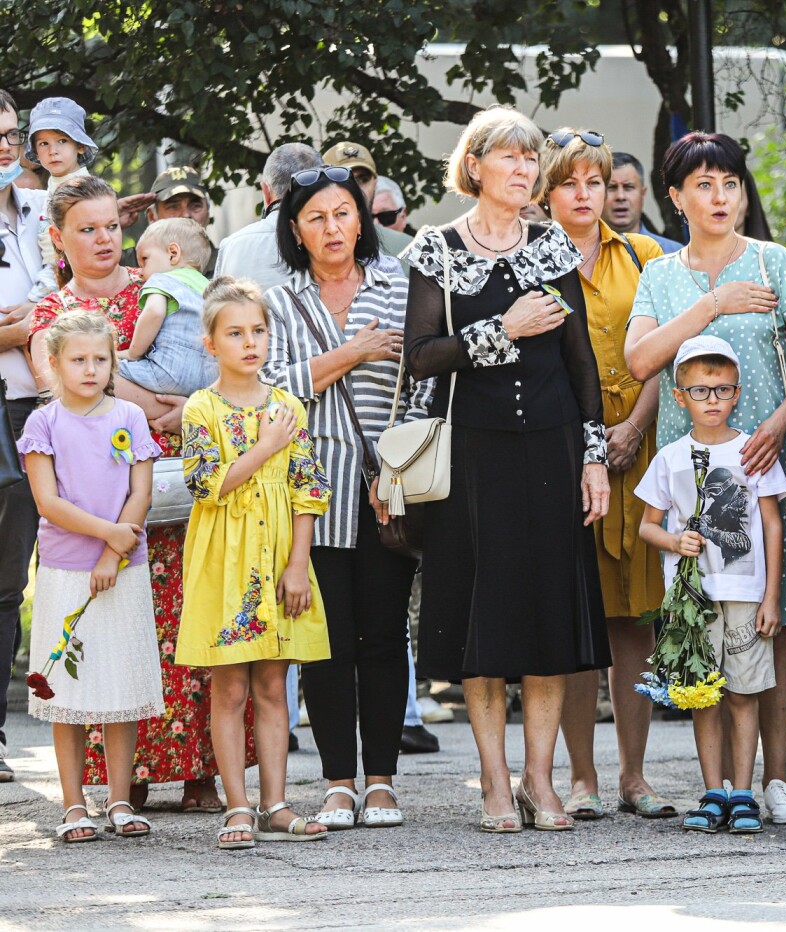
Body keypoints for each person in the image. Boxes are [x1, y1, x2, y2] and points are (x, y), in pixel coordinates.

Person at [404, 105, 611, 833]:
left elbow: (581, 361)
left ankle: (541, 780)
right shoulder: (437, 248)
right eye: (511, 159)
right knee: (484, 626)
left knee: (551, 619)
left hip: (552, 446)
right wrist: (502, 330)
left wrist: (594, 459)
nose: (525, 172)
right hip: (474, 452)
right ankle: (495, 781)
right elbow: (422, 356)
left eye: (532, 162)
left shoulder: (554, 247)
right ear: (475, 168)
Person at [28, 174, 246, 814]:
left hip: (184, 475)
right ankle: (133, 779)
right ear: (58, 238)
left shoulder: (164, 283)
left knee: (193, 615)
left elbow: (227, 356)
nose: (103, 239)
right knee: (119, 627)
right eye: (86, 228)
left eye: (109, 225)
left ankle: (203, 767)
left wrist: (197, 408)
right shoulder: (56, 314)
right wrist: (161, 407)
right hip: (99, 497)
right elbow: (64, 384)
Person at [626, 131, 786, 826]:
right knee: (707, 625)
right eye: (704, 185)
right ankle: (720, 787)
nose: (720, 197)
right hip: (687, 480)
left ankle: (776, 778)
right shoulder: (660, 273)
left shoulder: (775, 263)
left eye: (730, 184)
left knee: (771, 618)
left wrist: (779, 425)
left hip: (766, 467)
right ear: (675, 196)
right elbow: (641, 360)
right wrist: (713, 304)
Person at [263, 163, 431, 830]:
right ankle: (337, 782)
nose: (331, 227)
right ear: (296, 231)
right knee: (325, 643)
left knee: (385, 637)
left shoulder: (399, 286)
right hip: (310, 496)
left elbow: (422, 383)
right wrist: (354, 353)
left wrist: (399, 475)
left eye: (342, 213)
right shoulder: (277, 302)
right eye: (315, 218)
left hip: (387, 490)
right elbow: (273, 391)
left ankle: (383, 781)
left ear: (361, 221)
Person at [540, 128, 674, 820]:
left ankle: (635, 777)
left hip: (637, 445)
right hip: (563, 453)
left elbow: (663, 354)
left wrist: (634, 427)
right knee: (575, 621)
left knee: (633, 625)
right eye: (571, 183)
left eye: (597, 182)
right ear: (548, 193)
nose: (587, 194)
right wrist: (591, 441)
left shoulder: (646, 254)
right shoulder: (530, 259)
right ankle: (582, 778)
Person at [179, 278, 332, 849]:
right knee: (230, 690)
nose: (250, 342)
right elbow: (206, 485)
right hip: (224, 561)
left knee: (273, 684)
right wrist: (264, 446)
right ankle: (237, 806)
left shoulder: (288, 405)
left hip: (278, 561)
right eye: (235, 333)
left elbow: (307, 489)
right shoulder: (202, 407)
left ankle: (276, 804)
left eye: (258, 331)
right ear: (210, 343)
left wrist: (299, 565)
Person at [19, 310, 164, 842]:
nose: (90, 368)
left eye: (100, 359)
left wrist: (113, 554)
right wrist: (108, 535)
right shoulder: (44, 423)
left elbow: (140, 492)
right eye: (78, 360)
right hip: (65, 571)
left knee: (119, 685)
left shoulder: (129, 415)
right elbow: (48, 502)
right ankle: (75, 804)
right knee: (69, 690)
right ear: (54, 364)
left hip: (122, 571)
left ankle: (121, 799)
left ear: (112, 362)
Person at [635, 335, 786, 834]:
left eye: (722, 390)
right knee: (704, 694)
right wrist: (675, 543)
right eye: (700, 391)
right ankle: (713, 791)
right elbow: (647, 526)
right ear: (679, 397)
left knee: (744, 695)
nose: (713, 400)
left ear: (737, 392)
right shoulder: (671, 457)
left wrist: (770, 597)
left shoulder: (753, 451)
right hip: (693, 601)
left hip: (745, 595)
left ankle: (743, 793)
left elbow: (771, 524)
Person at [0, 88, 48, 784]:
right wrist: (25, 326)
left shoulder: (43, 212)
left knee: (9, 587)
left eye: (12, 133)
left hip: (39, 414)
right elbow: (48, 318)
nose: (7, 146)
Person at [118, 218, 218, 396]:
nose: (140, 272)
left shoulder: (162, 279)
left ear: (173, 253)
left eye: (144, 260)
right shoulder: (210, 288)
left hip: (168, 372)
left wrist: (134, 353)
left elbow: (154, 312)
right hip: (210, 380)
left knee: (104, 370)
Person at [213, 143, 323, 290]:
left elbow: (215, 308)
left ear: (265, 191)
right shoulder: (337, 238)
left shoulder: (231, 246)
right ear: (322, 187)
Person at [25, 97, 95, 302]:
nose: (53, 151)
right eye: (44, 143)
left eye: (62, 141)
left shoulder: (82, 186)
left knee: (26, 311)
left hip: (69, 270)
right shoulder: (55, 182)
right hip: (50, 266)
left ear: (80, 146)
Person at [323, 141, 414, 270]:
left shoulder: (407, 248)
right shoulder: (307, 247)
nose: (356, 189)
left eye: (363, 179)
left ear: (375, 183)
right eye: (342, 179)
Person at [118, 166, 220, 274]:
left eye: (195, 206)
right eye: (173, 207)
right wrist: (109, 219)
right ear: (152, 217)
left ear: (208, 214)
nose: (185, 214)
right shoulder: (134, 263)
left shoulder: (225, 263)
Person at [606, 152, 682, 253]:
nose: (620, 196)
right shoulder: (582, 254)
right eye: (611, 187)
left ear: (643, 193)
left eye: (628, 187)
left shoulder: (674, 253)